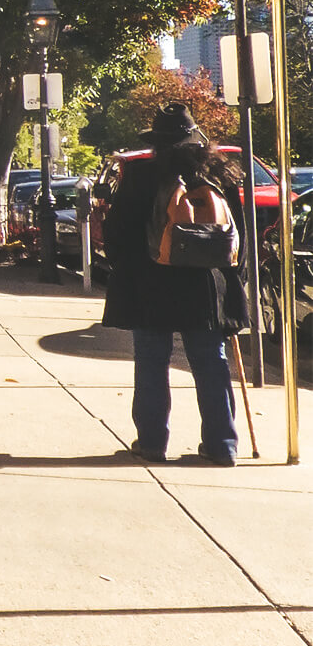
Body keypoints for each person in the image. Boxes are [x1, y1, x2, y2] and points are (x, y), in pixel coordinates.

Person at [101, 102, 248, 467]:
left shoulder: (140, 175)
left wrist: (125, 270)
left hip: (151, 283)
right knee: (211, 362)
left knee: (151, 361)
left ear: (157, 142)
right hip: (206, 285)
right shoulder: (218, 174)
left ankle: (152, 442)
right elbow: (238, 235)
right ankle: (222, 444)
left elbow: (117, 233)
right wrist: (233, 278)